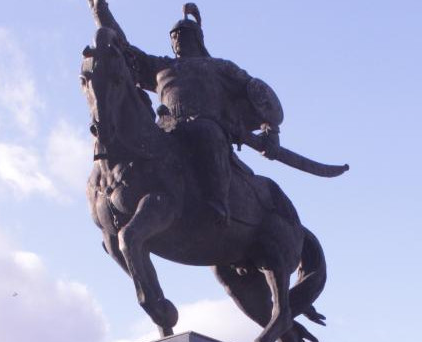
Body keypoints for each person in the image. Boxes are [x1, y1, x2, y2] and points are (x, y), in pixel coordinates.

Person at [87, 0, 283, 224]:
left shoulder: (220, 68)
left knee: (207, 134)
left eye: (182, 34)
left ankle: (216, 202)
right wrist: (100, 11)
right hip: (168, 130)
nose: (177, 39)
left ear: (197, 38)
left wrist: (271, 130)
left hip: (206, 127)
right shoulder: (161, 68)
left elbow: (258, 92)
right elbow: (125, 50)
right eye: (174, 36)